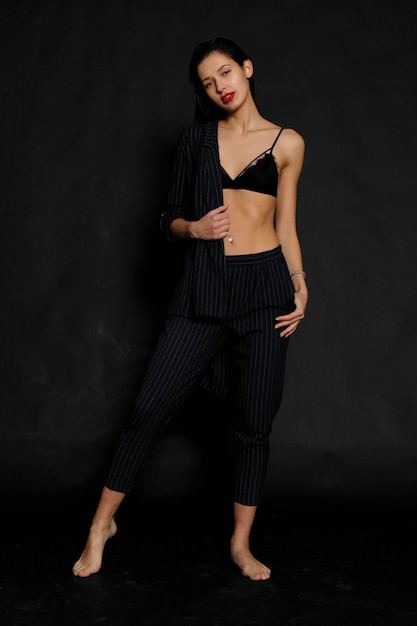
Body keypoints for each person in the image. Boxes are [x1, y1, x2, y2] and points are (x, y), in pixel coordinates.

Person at [72, 36, 308, 582]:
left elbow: (286, 226)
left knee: (254, 424)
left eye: (226, 72)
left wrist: (300, 285)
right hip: (202, 289)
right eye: (208, 82)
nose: (221, 86)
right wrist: (194, 228)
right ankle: (100, 525)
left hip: (266, 291)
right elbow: (168, 219)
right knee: (149, 409)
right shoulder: (196, 141)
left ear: (247, 70)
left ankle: (241, 543)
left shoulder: (288, 142)